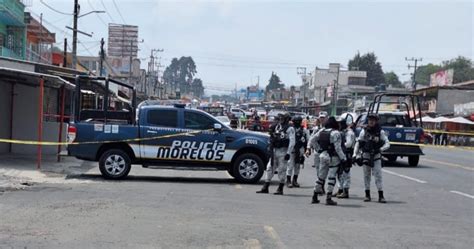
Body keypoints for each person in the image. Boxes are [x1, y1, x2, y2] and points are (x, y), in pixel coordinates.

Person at [308, 116, 346, 205]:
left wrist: (319, 149)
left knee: (320, 177)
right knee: (331, 177)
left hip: (323, 155)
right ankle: (328, 198)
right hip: (333, 157)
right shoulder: (336, 133)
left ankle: (314, 196)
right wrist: (343, 159)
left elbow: (312, 140)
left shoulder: (322, 131)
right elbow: (338, 148)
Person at [353, 113, 390, 203]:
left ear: (376, 121)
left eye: (373, 120)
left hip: (376, 156)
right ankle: (367, 195)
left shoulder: (380, 132)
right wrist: (355, 155)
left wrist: (380, 149)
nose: (371, 121)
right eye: (370, 120)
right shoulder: (364, 131)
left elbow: (387, 143)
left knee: (378, 176)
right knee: (366, 176)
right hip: (366, 155)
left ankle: (381, 195)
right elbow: (358, 143)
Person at [257, 112, 295, 195]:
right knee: (269, 168)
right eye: (280, 118)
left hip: (283, 151)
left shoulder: (290, 129)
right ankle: (265, 187)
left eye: (282, 118)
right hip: (274, 150)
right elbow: (271, 137)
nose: (280, 120)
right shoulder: (277, 126)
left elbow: (292, 142)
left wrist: (288, 153)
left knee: (282, 169)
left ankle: (280, 188)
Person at [286, 116, 310, 188]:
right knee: (290, 165)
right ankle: (288, 181)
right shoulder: (290, 129)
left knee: (297, 166)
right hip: (292, 149)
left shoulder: (304, 130)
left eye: (298, 121)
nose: (296, 123)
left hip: (300, 150)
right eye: (295, 121)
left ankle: (295, 180)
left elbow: (308, 140)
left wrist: (307, 149)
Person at [335, 120, 356, 199]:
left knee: (346, 173)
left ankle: (346, 191)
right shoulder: (342, 132)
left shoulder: (349, 133)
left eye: (340, 124)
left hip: (347, 154)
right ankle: (340, 189)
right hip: (341, 153)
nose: (339, 125)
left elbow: (349, 144)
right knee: (339, 172)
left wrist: (339, 145)